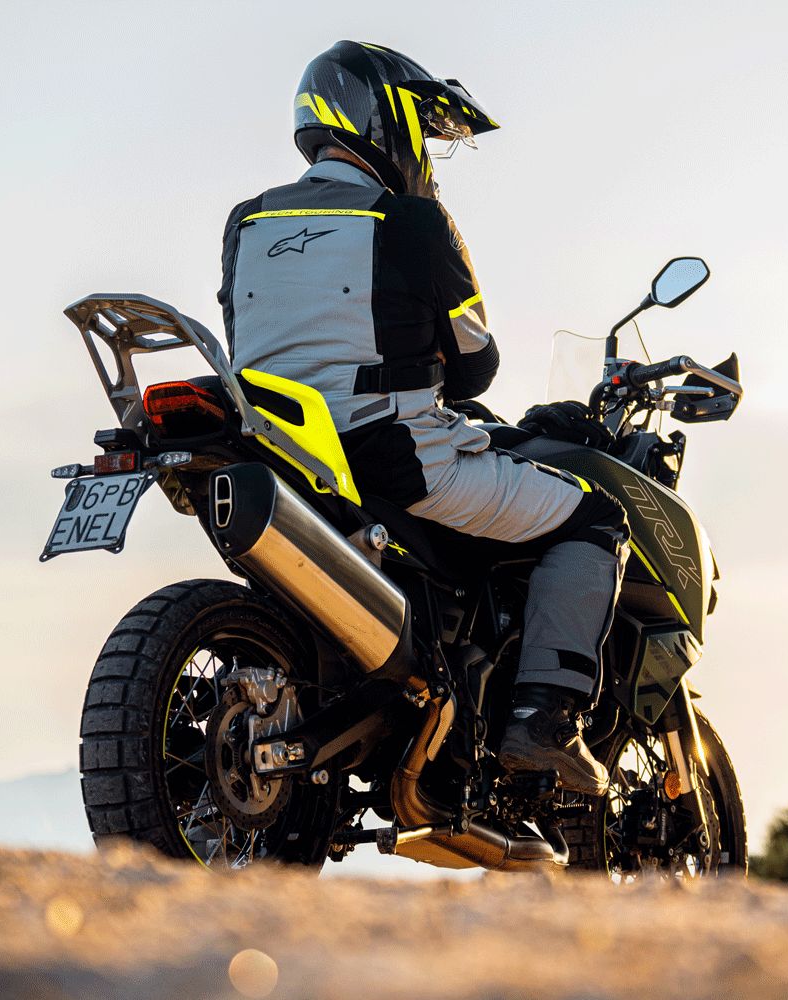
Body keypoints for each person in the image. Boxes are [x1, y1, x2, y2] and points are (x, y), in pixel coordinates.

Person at [216, 40, 625, 795]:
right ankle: (543, 718)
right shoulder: (414, 221)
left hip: (286, 451)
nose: (430, 157)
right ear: (387, 118)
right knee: (595, 520)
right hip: (399, 457)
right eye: (428, 136)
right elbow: (474, 368)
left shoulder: (247, 222)